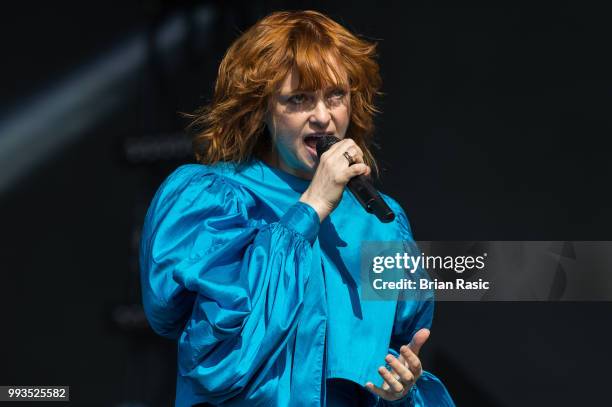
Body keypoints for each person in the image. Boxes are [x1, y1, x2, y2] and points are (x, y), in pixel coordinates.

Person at [139, 10, 455, 407]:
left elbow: (396, 350)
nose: (322, 116)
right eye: (299, 99)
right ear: (262, 107)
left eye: (335, 95)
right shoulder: (213, 199)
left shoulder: (380, 220)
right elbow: (219, 360)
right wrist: (311, 207)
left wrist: (401, 389)